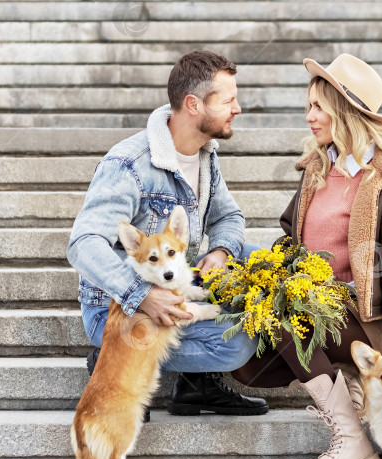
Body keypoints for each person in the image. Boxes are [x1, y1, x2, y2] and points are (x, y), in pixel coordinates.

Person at [232, 53, 382, 459]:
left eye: (318, 107)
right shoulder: (319, 169)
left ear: (344, 112)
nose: (309, 117)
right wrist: (268, 272)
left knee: (287, 318)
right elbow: (290, 234)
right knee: (256, 336)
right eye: (308, 106)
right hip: (316, 307)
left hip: (364, 320)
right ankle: (348, 390)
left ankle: (352, 440)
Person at [67, 50, 269, 421]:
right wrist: (142, 294)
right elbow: (83, 243)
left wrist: (222, 250)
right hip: (116, 312)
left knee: (256, 257)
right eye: (228, 100)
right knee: (237, 346)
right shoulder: (129, 164)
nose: (238, 108)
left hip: (174, 283)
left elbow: (229, 215)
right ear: (194, 104)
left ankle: (195, 387)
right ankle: (112, 358)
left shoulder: (204, 154)